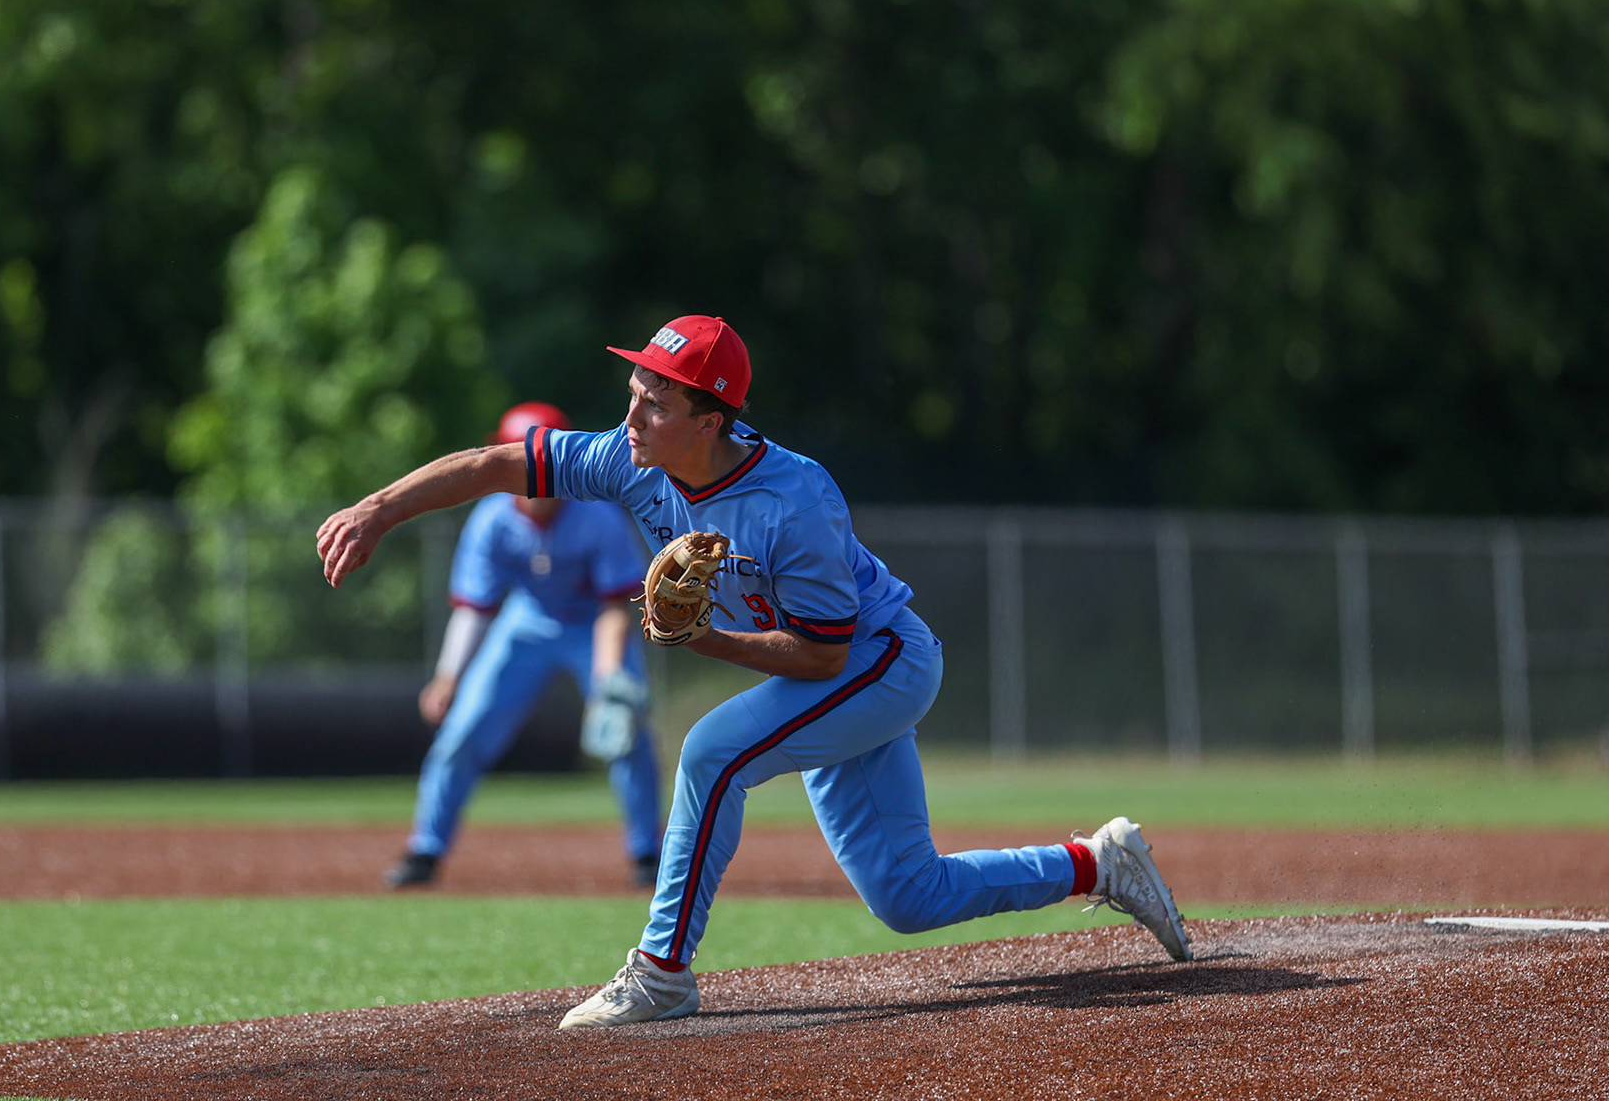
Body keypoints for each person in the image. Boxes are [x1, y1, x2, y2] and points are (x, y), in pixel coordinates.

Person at [318, 316, 1192, 1029]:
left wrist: (703, 644)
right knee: (907, 895)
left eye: (654, 402)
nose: (632, 417)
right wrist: (379, 507)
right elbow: (499, 463)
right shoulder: (633, 461)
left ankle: (662, 973)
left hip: (882, 662)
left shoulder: (793, 503)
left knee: (710, 752)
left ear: (711, 420)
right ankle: (1096, 863)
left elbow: (823, 654)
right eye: (634, 392)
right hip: (840, 671)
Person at [382, 401, 664, 891]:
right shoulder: (492, 518)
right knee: (464, 728)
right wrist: (449, 676)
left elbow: (616, 606)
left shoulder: (597, 516)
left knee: (625, 727)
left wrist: (606, 677)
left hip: (593, 625)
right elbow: (476, 606)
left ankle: (647, 855)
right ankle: (426, 849)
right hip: (527, 620)